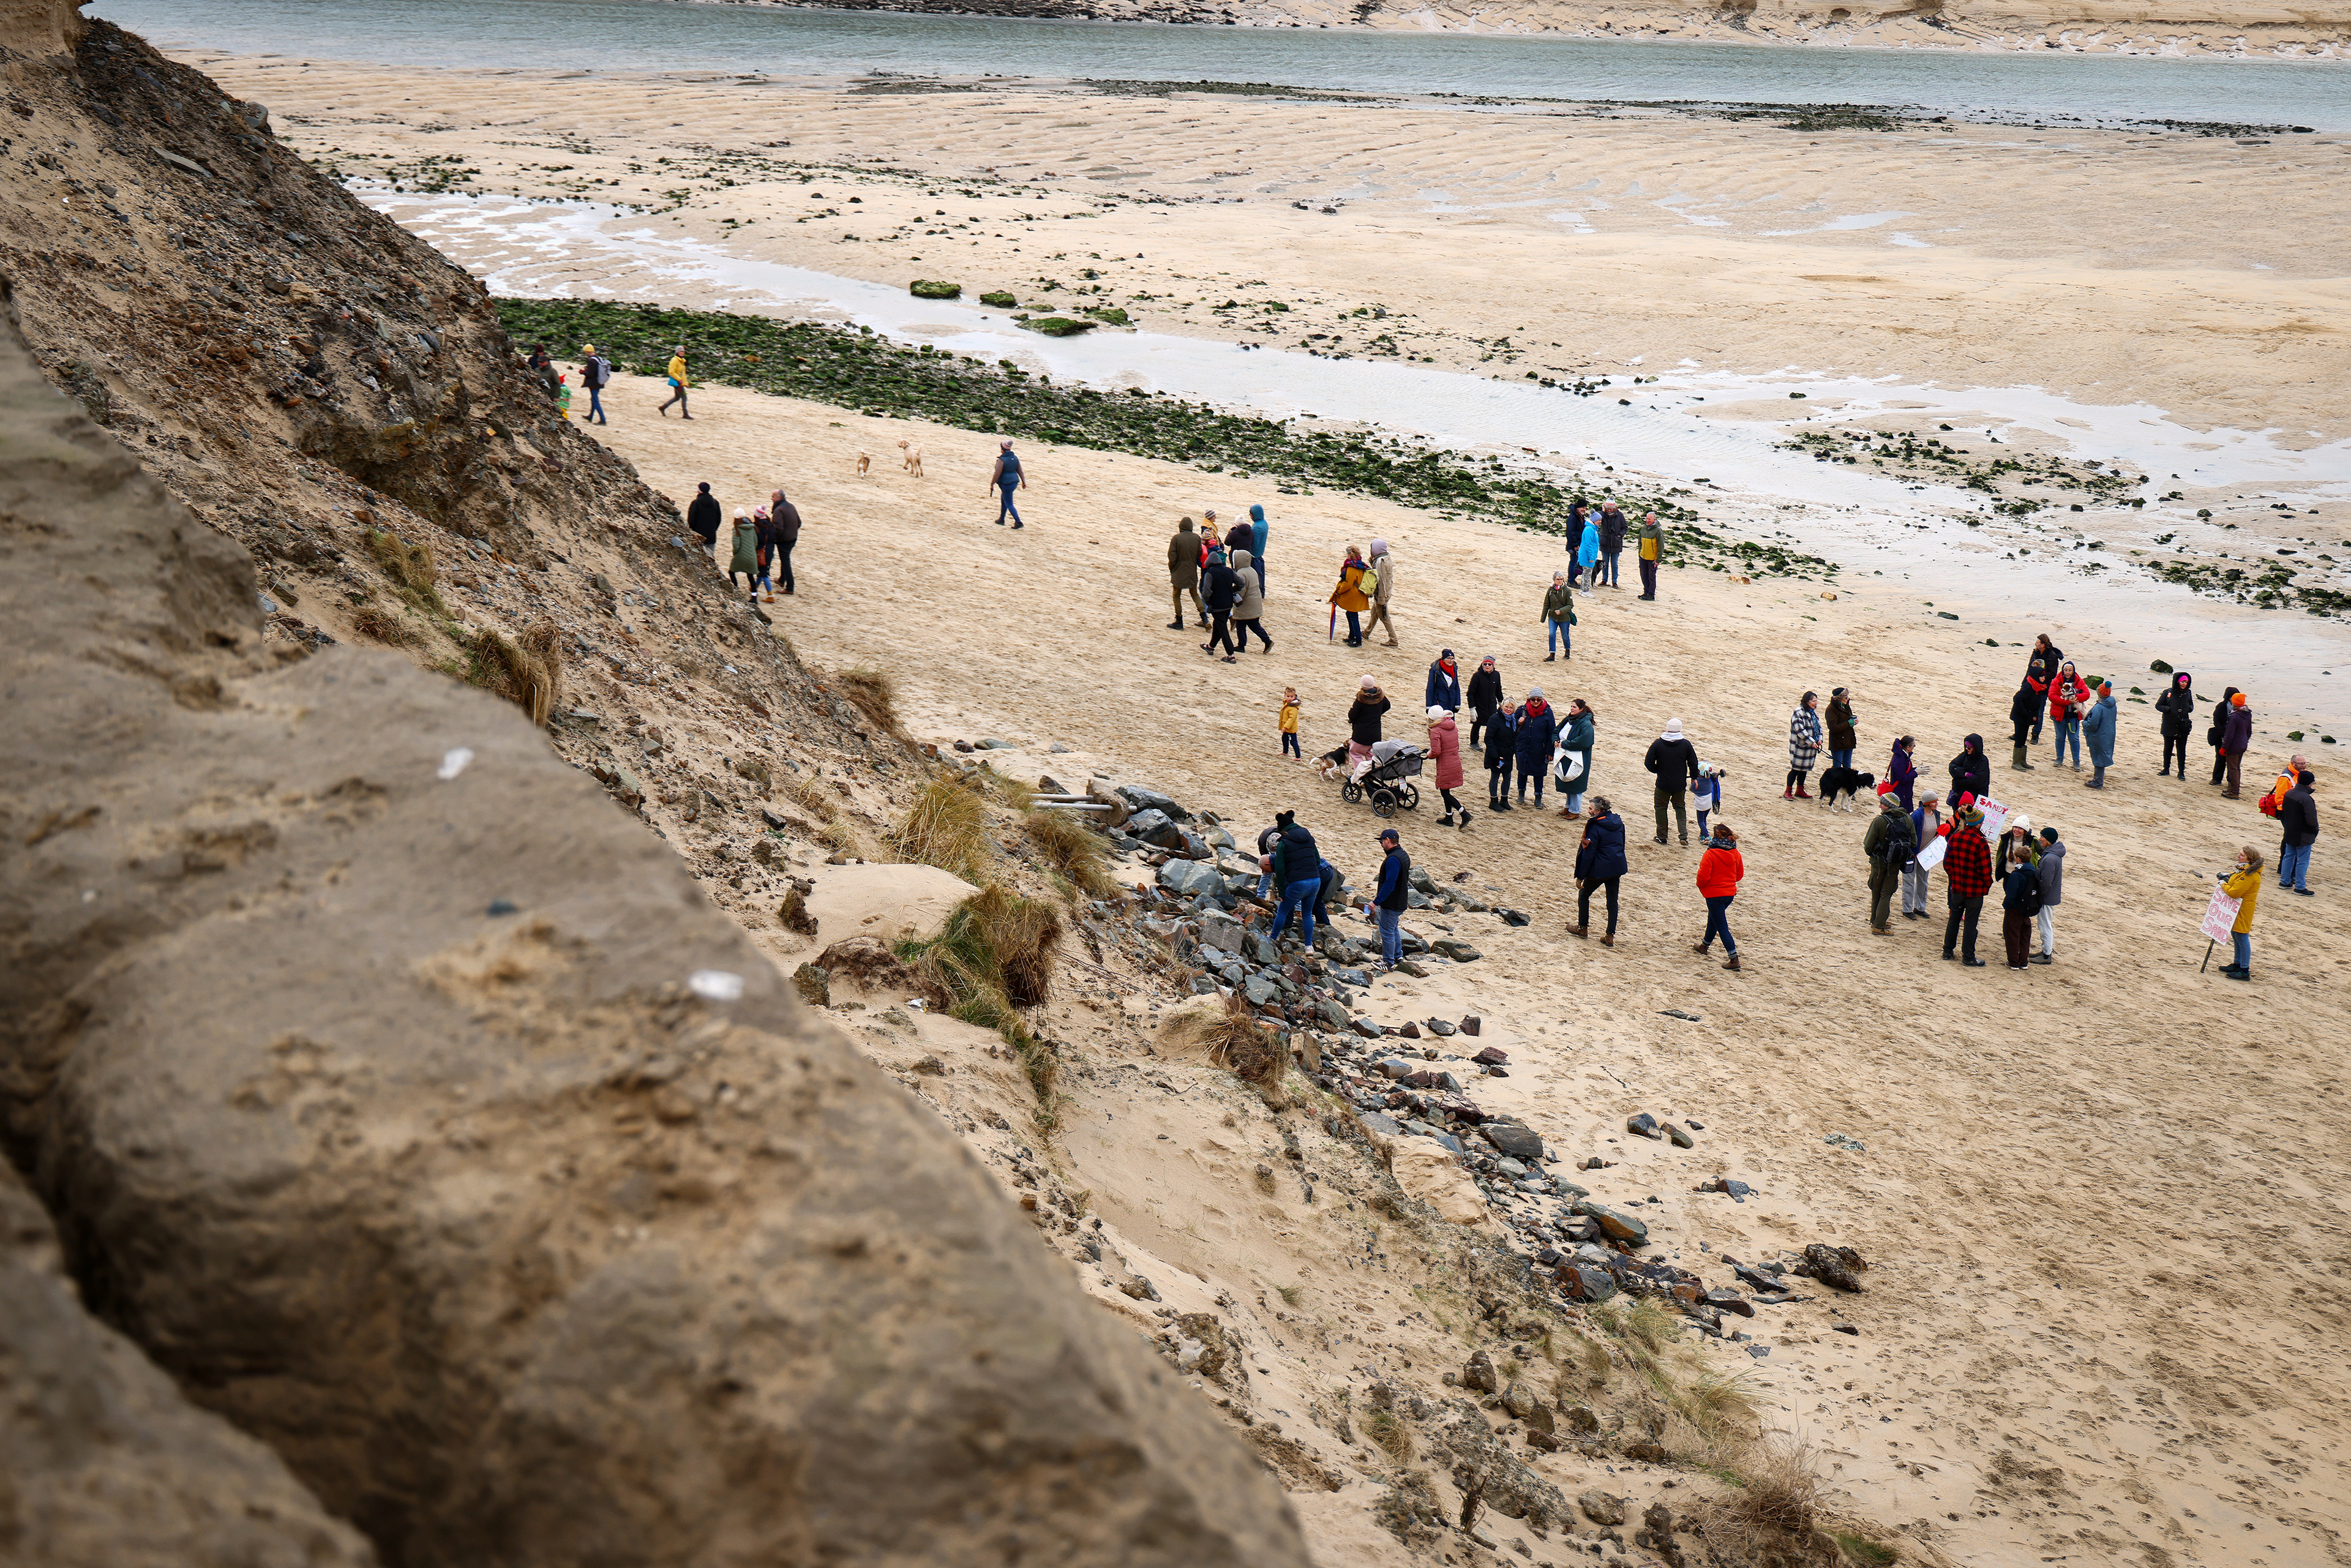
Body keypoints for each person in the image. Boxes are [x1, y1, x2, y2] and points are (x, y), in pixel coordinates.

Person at [1570, 795, 1627, 945]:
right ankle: (1610, 936)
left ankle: (1583, 928)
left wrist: (1580, 876)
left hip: (1600, 869)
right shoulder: (1618, 822)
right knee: (1612, 902)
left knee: (1584, 894)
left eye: (1590, 809)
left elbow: (1588, 853)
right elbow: (1622, 844)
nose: (1588, 812)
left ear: (1599, 810)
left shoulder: (1595, 826)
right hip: (1616, 867)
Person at [1940, 803, 1993, 967]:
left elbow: (1947, 863)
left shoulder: (1955, 838)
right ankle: (1968, 957)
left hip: (1957, 887)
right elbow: (1986, 870)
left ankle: (1948, 951)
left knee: (1954, 920)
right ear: (1978, 823)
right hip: (1974, 890)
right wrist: (1987, 885)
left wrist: (1955, 877)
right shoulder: (1981, 843)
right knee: (1971, 925)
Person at [1863, 786, 1916, 934]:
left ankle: (1878, 924)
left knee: (1877, 891)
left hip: (1878, 863)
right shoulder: (1907, 819)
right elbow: (1913, 842)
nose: (1880, 805)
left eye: (1883, 803)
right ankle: (1879, 921)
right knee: (1887, 893)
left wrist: (1875, 854)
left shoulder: (1880, 821)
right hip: (1895, 864)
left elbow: (1868, 845)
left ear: (1889, 806)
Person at [1267, 811, 1322, 948]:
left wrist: (1281, 891)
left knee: (1283, 911)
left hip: (1299, 883)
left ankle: (1272, 939)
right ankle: (1309, 947)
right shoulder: (1309, 838)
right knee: (1307, 914)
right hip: (1316, 880)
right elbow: (1317, 860)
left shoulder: (1283, 843)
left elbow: (1280, 869)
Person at [1693, 822, 1744, 971]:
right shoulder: (1735, 853)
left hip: (1714, 895)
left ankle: (1734, 958)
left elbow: (1703, 876)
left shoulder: (1710, 853)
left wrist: (1702, 887)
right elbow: (1739, 875)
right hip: (1729, 894)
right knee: (1714, 918)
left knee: (1721, 926)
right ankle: (1705, 945)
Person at [1646, 717, 1701, 846]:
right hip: (1679, 784)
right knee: (1680, 808)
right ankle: (1683, 836)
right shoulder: (1686, 744)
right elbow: (1693, 763)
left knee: (1660, 809)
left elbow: (1648, 763)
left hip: (1662, 784)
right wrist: (1694, 777)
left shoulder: (1658, 744)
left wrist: (1657, 771)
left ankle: (1662, 837)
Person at [2217, 845, 2262, 980]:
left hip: (2243, 909)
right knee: (2236, 934)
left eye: (2242, 855)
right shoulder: (2243, 871)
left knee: (2242, 937)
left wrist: (2222, 885)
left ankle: (2244, 970)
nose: (2239, 856)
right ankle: (2238, 964)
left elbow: (2235, 892)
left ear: (2249, 859)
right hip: (2237, 907)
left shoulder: (2250, 875)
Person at [2000, 830, 2042, 970]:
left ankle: (2014, 962)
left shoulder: (2016, 875)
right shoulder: (2034, 872)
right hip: (2028, 908)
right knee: (2025, 936)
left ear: (2018, 859)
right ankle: (2024, 962)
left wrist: (2007, 905)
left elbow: (2012, 894)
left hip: (2015, 908)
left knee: (2012, 934)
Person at [1902, 789, 1944, 920]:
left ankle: (1920, 908)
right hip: (1913, 854)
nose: (1937, 803)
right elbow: (1909, 833)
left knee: (1923, 882)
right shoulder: (1917, 815)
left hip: (1927, 855)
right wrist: (1911, 851)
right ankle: (1907, 909)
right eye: (1934, 802)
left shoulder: (1936, 814)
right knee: (1909, 882)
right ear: (1927, 803)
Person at [1425, 705, 1469, 828]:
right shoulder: (1452, 725)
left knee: (1445, 792)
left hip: (1445, 763)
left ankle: (1463, 813)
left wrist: (1428, 755)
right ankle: (1449, 816)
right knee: (1446, 789)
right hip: (1455, 759)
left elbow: (1436, 752)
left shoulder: (1436, 730)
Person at [1372, 828, 1411, 969]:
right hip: (1400, 900)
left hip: (1392, 902)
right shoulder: (1403, 854)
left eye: (1382, 841)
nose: (1381, 844)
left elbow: (1389, 884)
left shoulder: (1393, 859)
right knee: (1393, 928)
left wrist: (1376, 902)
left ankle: (1388, 962)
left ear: (1387, 840)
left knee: (1387, 931)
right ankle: (1397, 956)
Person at [1513, 687, 1557, 809]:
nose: (1536, 702)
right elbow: (1512, 724)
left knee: (1539, 774)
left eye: (1539, 700)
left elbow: (1552, 733)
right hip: (1523, 747)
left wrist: (1550, 751)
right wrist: (1518, 722)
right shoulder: (1522, 710)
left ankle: (1538, 797)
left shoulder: (1548, 713)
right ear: (1529, 699)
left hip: (1540, 749)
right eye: (1533, 700)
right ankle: (1521, 794)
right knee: (1522, 771)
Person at [1199, 544, 1242, 662]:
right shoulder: (1228, 571)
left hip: (1217, 606)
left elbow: (1206, 592)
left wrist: (1209, 601)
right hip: (1228, 604)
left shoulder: (1210, 573)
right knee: (1219, 625)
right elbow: (1241, 583)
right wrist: (1231, 591)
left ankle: (1231, 656)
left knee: (1223, 629)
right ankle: (1211, 647)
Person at [2278, 768, 2317, 895]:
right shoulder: (2306, 799)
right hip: (2303, 835)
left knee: (2288, 856)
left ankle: (2284, 881)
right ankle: (2300, 887)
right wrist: (2314, 831)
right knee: (2302, 860)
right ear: (2309, 784)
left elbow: (2285, 811)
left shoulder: (2289, 793)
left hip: (2290, 830)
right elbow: (2311, 820)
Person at [2048, 660, 2091, 770]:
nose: (2068, 673)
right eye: (2066, 670)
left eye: (2070, 670)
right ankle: (2059, 758)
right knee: (2060, 737)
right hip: (2059, 715)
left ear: (2074, 671)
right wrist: (2067, 702)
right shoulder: (2056, 681)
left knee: (2074, 738)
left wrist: (2077, 698)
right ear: (2063, 671)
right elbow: (2052, 696)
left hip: (2073, 716)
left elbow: (2087, 694)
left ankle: (2076, 761)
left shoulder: (2079, 681)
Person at [1557, 698, 1595, 820]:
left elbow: (1583, 741)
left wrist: (1565, 744)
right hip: (1566, 757)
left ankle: (1575, 810)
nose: (1572, 709)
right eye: (1571, 706)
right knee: (1569, 781)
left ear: (1581, 709)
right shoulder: (1568, 720)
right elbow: (1556, 731)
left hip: (1579, 759)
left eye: (1574, 707)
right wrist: (1556, 741)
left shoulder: (1585, 724)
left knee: (1576, 783)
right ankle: (1568, 807)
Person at [1346, 677, 1390, 781]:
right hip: (1375, 734)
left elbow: (1353, 714)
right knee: (1371, 755)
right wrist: (1376, 714)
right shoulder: (1380, 697)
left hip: (1361, 734)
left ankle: (1360, 776)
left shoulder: (1361, 699)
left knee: (1355, 754)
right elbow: (1387, 706)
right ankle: (1371, 776)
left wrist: (1355, 719)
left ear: (1362, 686)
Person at [2155, 670, 2197, 777]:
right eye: (2182, 681)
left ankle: (2181, 772)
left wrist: (2189, 709)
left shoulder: (2188, 693)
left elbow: (2191, 706)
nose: (2184, 684)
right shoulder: (2168, 692)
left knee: (2181, 749)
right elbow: (2158, 705)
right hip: (2169, 724)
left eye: (2186, 682)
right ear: (2177, 681)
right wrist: (2168, 709)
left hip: (2183, 726)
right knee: (2168, 748)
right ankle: (2166, 769)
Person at [2023, 634, 2063, 745]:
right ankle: (2021, 732)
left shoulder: (2052, 656)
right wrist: (2025, 682)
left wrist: (2040, 677)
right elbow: (2029, 669)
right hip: (2030, 685)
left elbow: (2052, 674)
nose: (2036, 644)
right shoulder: (2035, 653)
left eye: (2038, 642)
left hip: (2043, 688)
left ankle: (2035, 735)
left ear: (2043, 645)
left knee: (2039, 711)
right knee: (2025, 709)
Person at [2033, 825, 2064, 962]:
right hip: (2049, 897)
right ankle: (2045, 951)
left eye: (2043, 837)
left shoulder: (2050, 858)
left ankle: (2046, 954)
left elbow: (2046, 882)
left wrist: (2039, 895)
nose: (2040, 839)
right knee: (2045, 924)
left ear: (2049, 841)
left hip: (2046, 898)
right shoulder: (2052, 855)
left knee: (2045, 925)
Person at [1166, 517, 1204, 629]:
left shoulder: (1176, 539)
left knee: (1176, 595)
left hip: (1179, 571)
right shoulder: (1197, 538)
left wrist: (1172, 569)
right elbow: (1199, 553)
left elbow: (1172, 557)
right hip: (1192, 571)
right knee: (1195, 594)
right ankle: (1204, 618)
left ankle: (1179, 620)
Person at [1328, 546, 1370, 647]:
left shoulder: (1352, 567)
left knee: (1353, 616)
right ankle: (1352, 636)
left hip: (1353, 596)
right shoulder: (1361, 565)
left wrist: (1339, 592)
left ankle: (1358, 640)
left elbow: (1348, 583)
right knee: (1350, 615)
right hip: (1359, 595)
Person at [1785, 691, 1823, 801]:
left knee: (1804, 770)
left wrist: (1820, 739)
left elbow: (1819, 728)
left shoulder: (1813, 713)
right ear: (1807, 701)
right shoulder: (1799, 712)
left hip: (1811, 748)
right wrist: (1812, 742)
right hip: (1800, 747)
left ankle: (1800, 790)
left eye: (1816, 701)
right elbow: (1800, 730)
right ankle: (1788, 791)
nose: (1816, 704)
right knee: (1795, 769)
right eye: (1813, 701)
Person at [1230, 548, 1271, 651]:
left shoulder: (1241, 573)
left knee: (1241, 625)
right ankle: (1267, 641)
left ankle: (1241, 646)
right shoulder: (1252, 570)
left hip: (1246, 605)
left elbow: (1241, 591)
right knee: (1254, 625)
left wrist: (1233, 597)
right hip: (1256, 603)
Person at [767, 488, 803, 596]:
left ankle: (790, 587)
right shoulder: (791, 506)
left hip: (785, 541)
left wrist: (774, 538)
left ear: (779, 498)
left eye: (773, 497)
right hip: (793, 538)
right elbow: (799, 523)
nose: (771, 498)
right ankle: (782, 580)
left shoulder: (779, 510)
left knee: (786, 561)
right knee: (785, 559)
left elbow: (778, 529)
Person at [1363, 539, 1398, 648]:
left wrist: (1381, 599)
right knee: (1374, 614)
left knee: (1384, 616)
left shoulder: (1380, 562)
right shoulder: (1386, 558)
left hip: (1382, 594)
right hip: (1386, 591)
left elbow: (1381, 580)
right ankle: (1366, 633)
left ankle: (1393, 640)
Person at [2082, 681, 2118, 788]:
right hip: (2109, 733)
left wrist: (2084, 723)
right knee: (2102, 755)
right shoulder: (2112, 705)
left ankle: (2098, 781)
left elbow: (2092, 724)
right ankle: (2097, 779)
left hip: (2099, 735)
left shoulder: (2100, 707)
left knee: (2098, 756)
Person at [1485, 701, 1518, 812]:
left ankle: (1504, 800)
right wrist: (1495, 756)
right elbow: (1488, 738)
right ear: (1502, 707)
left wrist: (1513, 750)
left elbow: (1514, 737)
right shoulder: (1495, 719)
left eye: (1511, 708)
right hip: (1497, 756)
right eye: (1506, 707)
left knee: (1507, 777)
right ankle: (1493, 801)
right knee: (1495, 776)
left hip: (1507, 754)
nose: (1508, 710)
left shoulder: (1513, 720)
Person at [2220, 691, 2253, 798]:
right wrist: (2245, 740)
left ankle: (2234, 791)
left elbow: (2229, 735)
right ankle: (2233, 788)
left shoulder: (2234, 717)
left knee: (2233, 767)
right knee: (2237, 767)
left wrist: (2224, 747)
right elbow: (2249, 731)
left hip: (2234, 746)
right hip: (2242, 744)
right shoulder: (2247, 714)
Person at [988, 440, 1026, 529]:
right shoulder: (1015, 458)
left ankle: (1018, 522)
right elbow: (1020, 470)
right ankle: (1002, 519)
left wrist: (992, 484)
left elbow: (997, 474)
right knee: (1004, 499)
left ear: (1002, 449)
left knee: (1009, 503)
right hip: (1014, 482)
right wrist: (1024, 482)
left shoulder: (1001, 460)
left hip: (1006, 483)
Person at [1467, 655, 1504, 748]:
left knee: (1492, 725)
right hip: (1479, 706)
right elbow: (1470, 693)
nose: (1487, 666)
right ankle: (1474, 743)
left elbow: (1498, 691)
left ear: (1493, 665)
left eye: (1490, 664)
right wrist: (1472, 708)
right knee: (1477, 724)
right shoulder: (1477, 676)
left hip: (1491, 705)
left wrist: (1501, 703)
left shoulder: (1496, 675)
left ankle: (1490, 742)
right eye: (1485, 664)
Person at [2208, 685, 2240, 786]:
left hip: (2234, 737)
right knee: (2220, 758)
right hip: (2221, 736)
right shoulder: (2221, 706)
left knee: (2233, 761)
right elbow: (2216, 720)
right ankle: (2217, 779)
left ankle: (2231, 780)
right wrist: (2222, 733)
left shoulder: (2240, 707)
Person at [1541, 572, 1577, 661]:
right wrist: (1543, 617)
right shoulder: (1550, 590)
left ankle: (1567, 651)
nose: (1560, 581)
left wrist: (1562, 611)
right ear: (1554, 580)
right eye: (1558, 579)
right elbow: (1546, 604)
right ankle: (1552, 654)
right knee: (1552, 634)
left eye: (1561, 579)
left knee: (1565, 636)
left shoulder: (1567, 591)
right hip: (1552, 617)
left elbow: (1570, 605)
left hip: (1564, 618)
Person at [2008, 678, 2041, 773]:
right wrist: (2024, 712)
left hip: (2027, 717)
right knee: (2020, 737)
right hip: (2020, 717)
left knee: (2024, 737)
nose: (2043, 678)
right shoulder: (2028, 686)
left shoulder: (2038, 687)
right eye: (2041, 676)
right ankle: (2016, 762)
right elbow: (2017, 698)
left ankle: (2022, 760)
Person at [726, 509, 760, 598]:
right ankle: (754, 596)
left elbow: (736, 545)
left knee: (732, 572)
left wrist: (735, 554)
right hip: (752, 556)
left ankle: (736, 590)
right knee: (750, 576)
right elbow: (756, 542)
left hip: (740, 556)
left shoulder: (737, 529)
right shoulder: (752, 528)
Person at [1949, 734, 1990, 806]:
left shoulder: (1983, 761)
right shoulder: (1964, 756)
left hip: (1975, 797)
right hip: (1959, 795)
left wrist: (1958, 780)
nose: (1966, 749)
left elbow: (1977, 781)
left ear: (1975, 748)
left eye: (1969, 748)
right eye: (1966, 747)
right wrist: (1966, 774)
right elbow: (1952, 767)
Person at [686, 482, 722, 560]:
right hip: (711, 536)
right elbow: (718, 519)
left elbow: (691, 521)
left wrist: (693, 532)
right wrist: (713, 530)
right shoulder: (716, 503)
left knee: (698, 559)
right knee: (710, 560)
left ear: (699, 491)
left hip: (698, 537)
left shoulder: (696, 503)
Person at [1597, 500, 1628, 588]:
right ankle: (1604, 580)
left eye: (1611, 508)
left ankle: (1615, 581)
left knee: (1614, 564)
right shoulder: (1603, 515)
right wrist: (1603, 511)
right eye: (1607, 508)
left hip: (1616, 543)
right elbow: (1598, 519)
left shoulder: (1620, 515)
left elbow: (1625, 527)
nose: (1609, 510)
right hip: (1605, 542)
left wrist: (1619, 536)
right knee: (1605, 562)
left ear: (1614, 508)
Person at [577, 343, 611, 424]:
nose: (585, 353)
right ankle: (591, 416)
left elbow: (590, 374)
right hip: (599, 382)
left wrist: (583, 372)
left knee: (595, 400)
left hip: (594, 383)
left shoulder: (592, 360)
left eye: (585, 352)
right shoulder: (598, 358)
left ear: (588, 351)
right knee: (593, 399)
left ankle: (603, 420)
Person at [658, 343, 691, 418]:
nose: (682, 353)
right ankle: (685, 414)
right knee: (684, 397)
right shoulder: (674, 360)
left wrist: (686, 383)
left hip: (680, 382)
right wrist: (679, 380)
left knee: (677, 397)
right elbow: (671, 372)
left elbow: (683, 374)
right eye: (680, 351)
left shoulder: (682, 361)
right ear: (677, 352)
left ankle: (663, 407)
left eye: (683, 352)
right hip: (677, 382)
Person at [1692, 760, 1723, 839]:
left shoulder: (1697, 783)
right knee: (1704, 819)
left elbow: (1692, 789)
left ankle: (1706, 836)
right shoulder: (1710, 781)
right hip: (1709, 804)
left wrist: (1693, 781)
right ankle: (1702, 834)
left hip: (1701, 805)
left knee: (1701, 821)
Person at [1636, 512, 1662, 599]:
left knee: (1651, 577)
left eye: (1649, 519)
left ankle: (1651, 595)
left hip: (1652, 558)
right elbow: (1640, 541)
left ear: (1654, 520)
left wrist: (1658, 560)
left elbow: (1661, 545)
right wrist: (1640, 552)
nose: (1647, 521)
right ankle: (1646, 592)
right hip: (1643, 557)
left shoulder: (1658, 531)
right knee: (1644, 575)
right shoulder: (1643, 529)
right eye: (1647, 519)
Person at [1426, 650, 1462, 715]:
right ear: (1444, 659)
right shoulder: (1435, 670)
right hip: (1439, 702)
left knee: (1450, 722)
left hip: (1451, 702)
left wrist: (1457, 704)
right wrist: (1429, 706)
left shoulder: (1454, 669)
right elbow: (1430, 688)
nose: (1451, 661)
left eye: (1452, 658)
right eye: (1448, 658)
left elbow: (1456, 687)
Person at [1564, 499, 1589, 588]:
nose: (1584, 510)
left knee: (1577, 562)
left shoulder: (1580, 516)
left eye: (1586, 508)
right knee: (1574, 562)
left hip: (1580, 544)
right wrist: (1575, 545)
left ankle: (1572, 579)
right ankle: (1571, 581)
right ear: (1578, 508)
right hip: (1574, 545)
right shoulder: (1573, 517)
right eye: (1583, 508)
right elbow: (1570, 532)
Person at [1889, 735, 1919, 808]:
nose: (1914, 748)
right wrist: (1916, 773)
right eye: (1913, 746)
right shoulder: (1900, 759)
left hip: (1903, 791)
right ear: (1908, 747)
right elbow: (1902, 779)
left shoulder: (1903, 756)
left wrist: (1916, 770)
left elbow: (1905, 771)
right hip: (1900, 793)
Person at [1575, 511, 1601, 593]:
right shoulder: (1589, 529)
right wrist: (1591, 557)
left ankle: (1583, 590)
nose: (1600, 522)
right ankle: (1585, 591)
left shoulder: (1593, 529)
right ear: (1594, 520)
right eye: (1599, 520)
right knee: (1587, 574)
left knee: (1586, 573)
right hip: (1587, 556)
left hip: (1588, 555)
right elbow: (1588, 544)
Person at [1248, 503, 1269, 591]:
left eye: (1251, 513)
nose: (1250, 515)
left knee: (1256, 578)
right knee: (1261, 576)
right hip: (1260, 555)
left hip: (1255, 557)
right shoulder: (1264, 523)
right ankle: (1262, 592)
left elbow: (1254, 544)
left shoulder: (1257, 527)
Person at [1278, 687, 1302, 762]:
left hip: (1291, 729)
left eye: (1291, 697)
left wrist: (1285, 727)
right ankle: (1285, 752)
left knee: (1293, 742)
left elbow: (1291, 719)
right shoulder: (1287, 703)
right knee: (1284, 739)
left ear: (1295, 697)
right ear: (1285, 696)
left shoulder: (1293, 707)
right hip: (1287, 728)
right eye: (1288, 696)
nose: (1289, 698)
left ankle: (1298, 756)